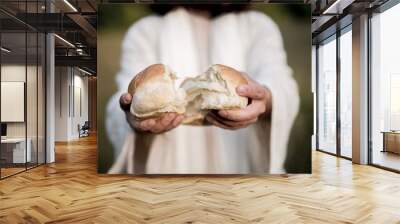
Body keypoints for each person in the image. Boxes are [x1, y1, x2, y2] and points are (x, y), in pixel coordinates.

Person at [106, 5, 299, 174]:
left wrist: (267, 99)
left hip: (241, 172)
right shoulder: (144, 31)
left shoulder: (258, 27)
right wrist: (132, 117)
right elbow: (125, 96)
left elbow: (281, 82)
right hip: (169, 180)